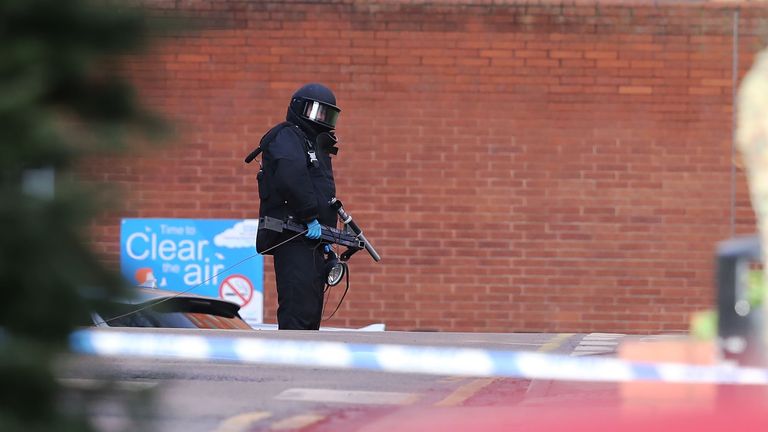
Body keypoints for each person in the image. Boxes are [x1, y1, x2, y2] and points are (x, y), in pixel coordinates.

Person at [254, 83, 341, 330]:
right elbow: (290, 175)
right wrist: (310, 216)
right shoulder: (286, 137)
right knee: (297, 310)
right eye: (317, 112)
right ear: (300, 108)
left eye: (327, 114)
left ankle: (307, 364)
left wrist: (326, 233)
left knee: (310, 311)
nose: (322, 120)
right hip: (293, 236)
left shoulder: (311, 143)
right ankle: (291, 364)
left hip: (312, 241)